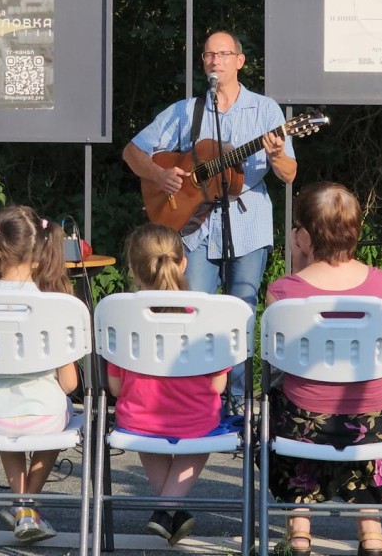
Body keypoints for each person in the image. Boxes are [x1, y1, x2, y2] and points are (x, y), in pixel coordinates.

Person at [122, 30, 297, 400]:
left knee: (242, 309)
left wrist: (277, 153)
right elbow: (132, 152)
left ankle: (237, 400)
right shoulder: (187, 111)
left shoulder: (265, 111)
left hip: (247, 224)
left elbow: (289, 173)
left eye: (222, 54)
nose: (214, 61)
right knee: (195, 309)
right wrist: (161, 175)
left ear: (240, 61)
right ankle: (196, 397)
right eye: (208, 55)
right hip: (196, 228)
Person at [265, 183, 382, 556]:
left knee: (282, 403)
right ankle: (372, 533)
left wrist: (297, 268)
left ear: (305, 235)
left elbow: (278, 361)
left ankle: (298, 529)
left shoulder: (283, 292)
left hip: (306, 421)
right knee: (367, 404)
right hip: (377, 423)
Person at [106, 223, 229, 545]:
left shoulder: (121, 318)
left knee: (145, 432)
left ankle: (167, 509)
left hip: (139, 419)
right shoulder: (208, 316)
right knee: (203, 437)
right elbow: (218, 385)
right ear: (183, 262)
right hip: (196, 419)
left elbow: (116, 389)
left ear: (133, 268)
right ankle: (167, 509)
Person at [0, 205, 80, 543]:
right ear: (41, 255)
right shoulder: (56, 305)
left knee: (6, 418)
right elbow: (70, 383)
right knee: (60, 419)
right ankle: (27, 505)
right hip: (44, 417)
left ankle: (22, 506)